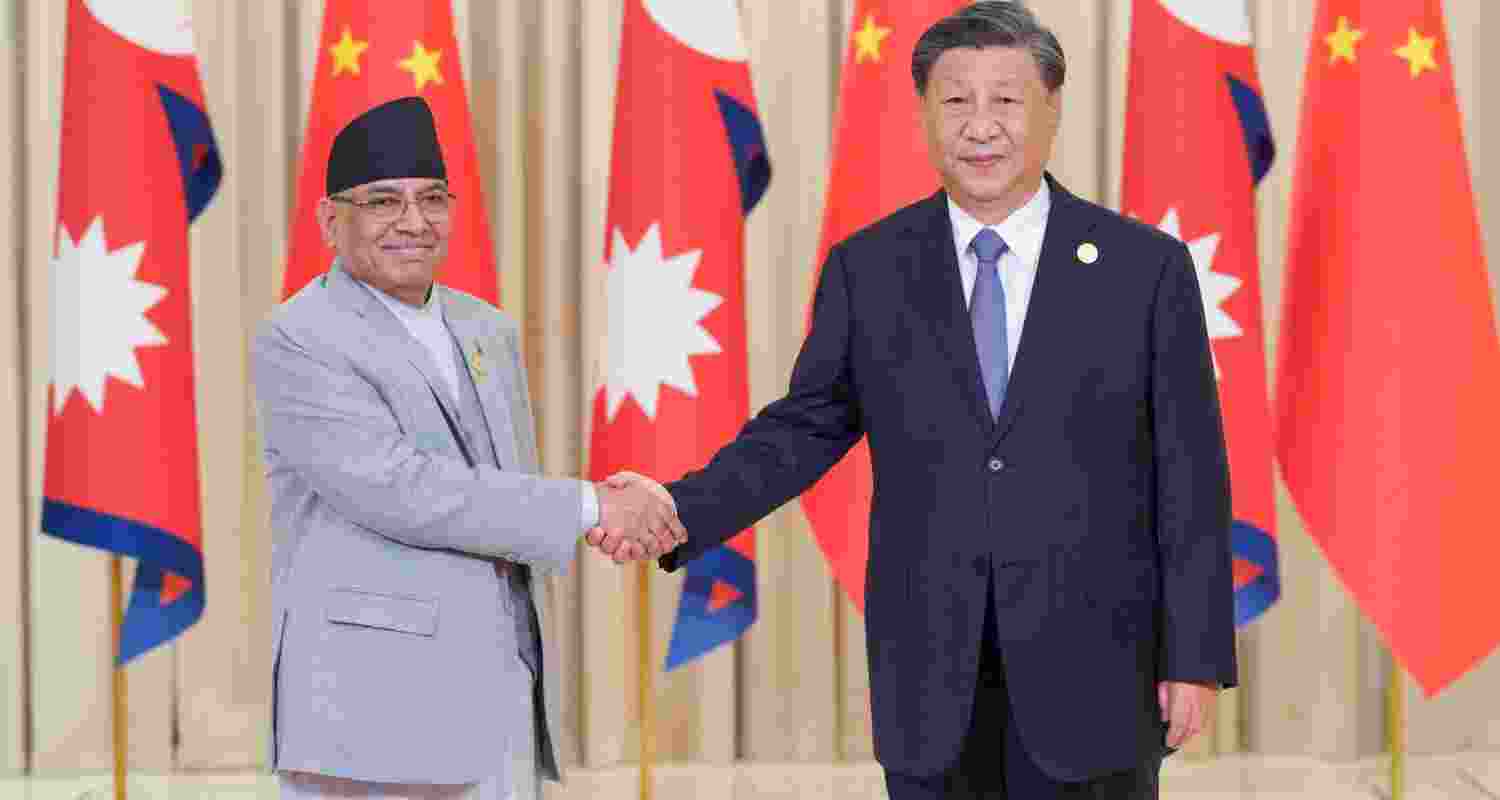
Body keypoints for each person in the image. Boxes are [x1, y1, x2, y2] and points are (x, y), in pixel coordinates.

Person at [591, 3, 1236, 797]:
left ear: (1050, 109)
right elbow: (802, 428)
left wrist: (1196, 657)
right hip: (933, 677)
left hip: (1098, 671)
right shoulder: (871, 269)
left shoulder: (1146, 269)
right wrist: (678, 506)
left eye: (1006, 99)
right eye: (956, 100)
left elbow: (1192, 474)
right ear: (926, 114)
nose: (981, 124)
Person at [252, 95, 684, 800]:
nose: (413, 222)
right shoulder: (301, 335)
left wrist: (607, 510)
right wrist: (591, 504)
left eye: (431, 200)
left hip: (498, 690)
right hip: (368, 705)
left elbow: (499, 489)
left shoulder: (487, 328)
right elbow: (399, 489)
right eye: (384, 201)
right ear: (332, 220)